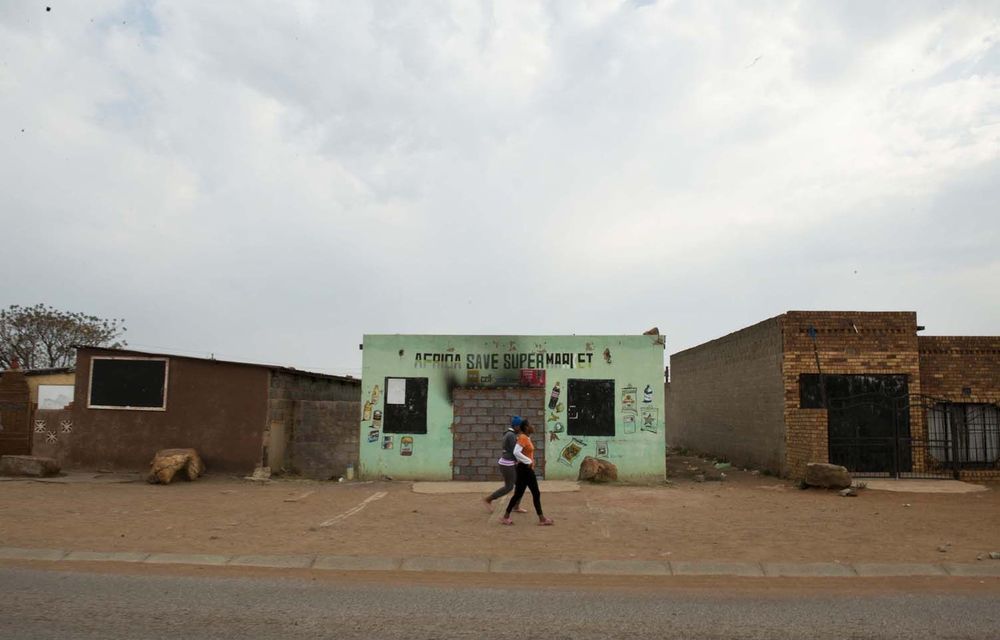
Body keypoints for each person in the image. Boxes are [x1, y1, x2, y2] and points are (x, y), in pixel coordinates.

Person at [501, 419, 554, 526]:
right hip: (525, 469)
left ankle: (505, 517)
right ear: (525, 427)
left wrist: (528, 461)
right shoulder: (523, 437)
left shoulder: (526, 438)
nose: (532, 426)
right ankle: (542, 519)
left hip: (523, 469)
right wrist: (528, 461)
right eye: (530, 425)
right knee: (535, 493)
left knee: (518, 494)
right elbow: (516, 452)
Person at [483, 416, 526, 513]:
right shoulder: (511, 435)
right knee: (509, 487)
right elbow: (515, 452)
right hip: (507, 464)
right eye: (521, 426)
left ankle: (516, 506)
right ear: (516, 426)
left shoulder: (511, 434)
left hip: (510, 463)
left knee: (520, 484)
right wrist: (525, 460)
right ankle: (488, 499)